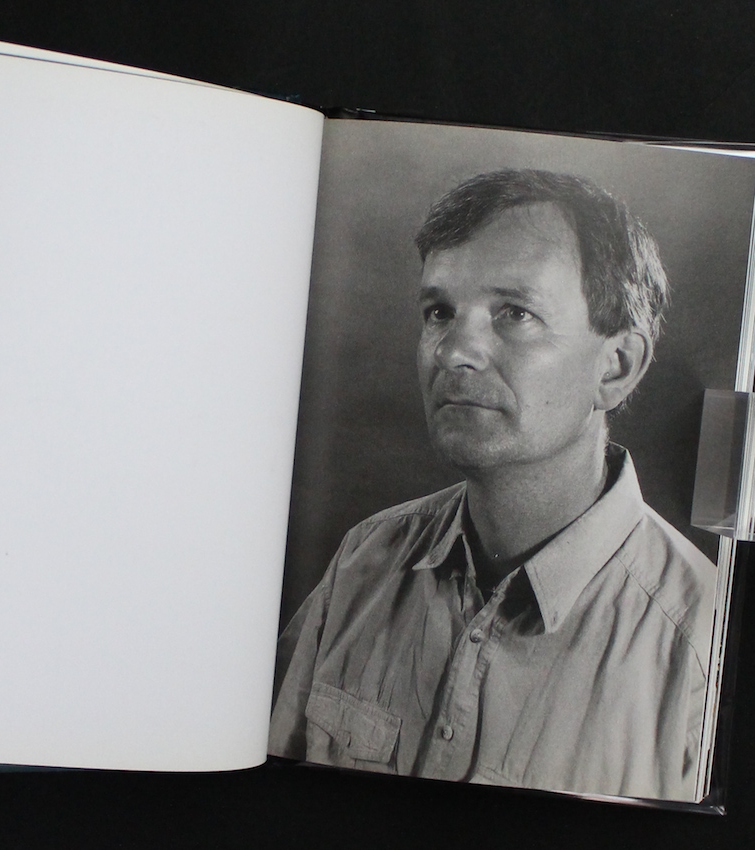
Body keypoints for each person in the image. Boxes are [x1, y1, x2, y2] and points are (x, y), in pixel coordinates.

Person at [268, 169, 717, 802]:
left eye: (515, 313)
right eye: (439, 312)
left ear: (615, 368)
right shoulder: (363, 561)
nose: (453, 352)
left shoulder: (704, 650)